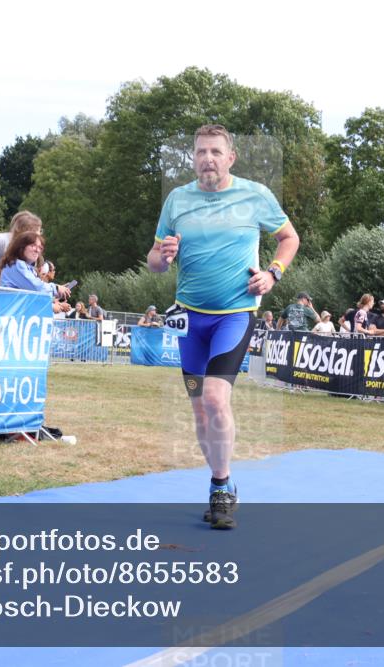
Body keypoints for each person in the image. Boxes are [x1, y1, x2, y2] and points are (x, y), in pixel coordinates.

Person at [147, 124, 299, 530]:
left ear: (230, 158)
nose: (207, 159)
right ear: (193, 157)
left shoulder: (255, 195)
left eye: (216, 151)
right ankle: (220, 481)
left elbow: (289, 238)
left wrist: (273, 274)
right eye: (200, 152)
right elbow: (155, 262)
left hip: (234, 315)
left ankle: (221, 486)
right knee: (200, 411)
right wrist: (164, 254)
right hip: (190, 320)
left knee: (215, 398)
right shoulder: (178, 199)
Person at [0, 230, 71, 300]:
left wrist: (58, 291)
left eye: (40, 248)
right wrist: (56, 288)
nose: (37, 250)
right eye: (33, 246)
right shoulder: (17, 265)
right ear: (21, 247)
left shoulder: (26, 267)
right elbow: (37, 288)